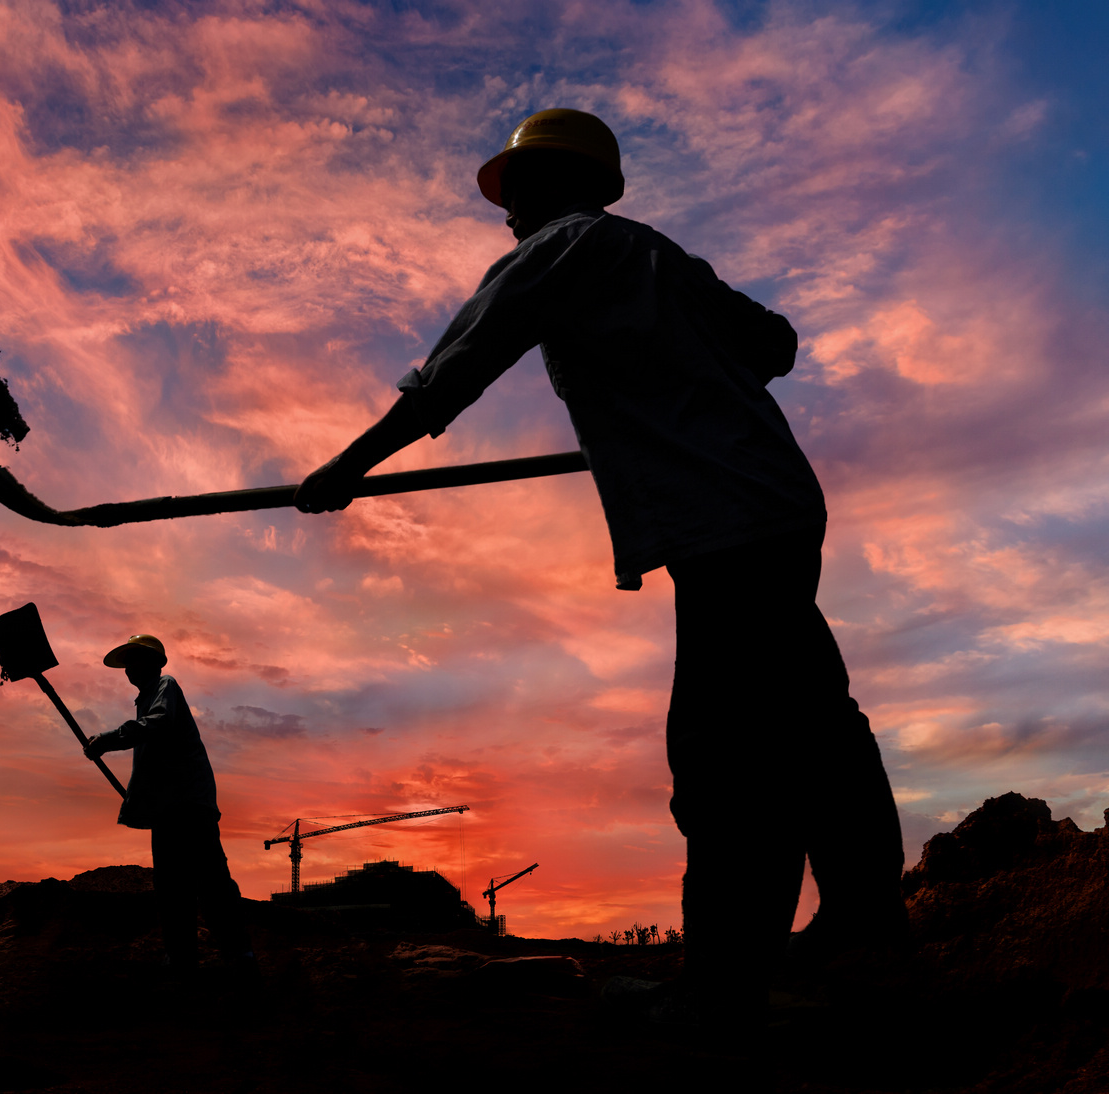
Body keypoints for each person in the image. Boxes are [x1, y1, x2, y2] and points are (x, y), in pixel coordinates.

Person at [294, 108, 907, 1028]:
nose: (505, 213)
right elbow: (774, 343)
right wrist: (667, 384)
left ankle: (722, 990)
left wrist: (348, 466)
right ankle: (864, 924)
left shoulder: (553, 252)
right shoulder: (661, 259)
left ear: (550, 185)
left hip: (722, 523)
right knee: (810, 718)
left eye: (515, 192)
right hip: (775, 506)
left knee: (722, 753)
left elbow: (454, 372)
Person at [83, 633, 256, 978]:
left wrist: (107, 740)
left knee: (210, 882)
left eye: (137, 660)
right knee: (171, 888)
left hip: (189, 806)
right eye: (128, 662)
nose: (130, 668)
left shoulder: (166, 687)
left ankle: (240, 957)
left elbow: (157, 726)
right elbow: (151, 764)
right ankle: (182, 960)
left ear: (156, 663)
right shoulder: (146, 701)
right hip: (167, 809)